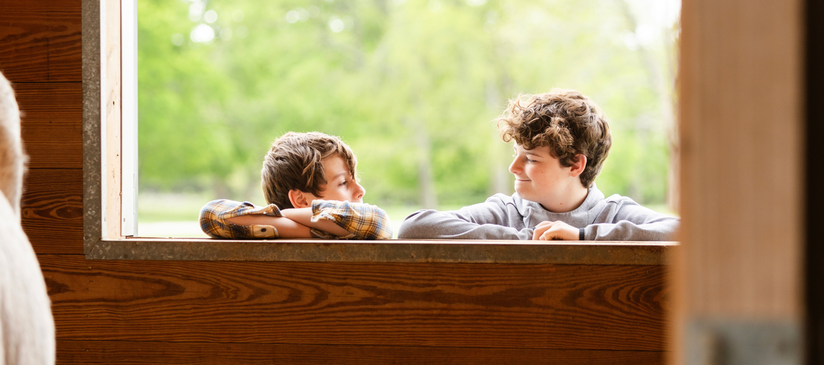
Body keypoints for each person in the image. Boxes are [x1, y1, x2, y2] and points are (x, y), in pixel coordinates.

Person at [398, 89, 679, 241]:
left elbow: (684, 232)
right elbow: (414, 227)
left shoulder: (613, 214)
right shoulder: (505, 212)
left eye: (530, 158)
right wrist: (527, 240)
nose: (514, 168)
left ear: (575, 165)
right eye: (516, 154)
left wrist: (583, 237)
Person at [200, 131, 393, 239]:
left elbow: (377, 221)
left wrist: (285, 218)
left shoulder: (270, 231)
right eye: (343, 182)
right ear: (301, 200)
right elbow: (210, 213)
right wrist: (317, 229)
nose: (361, 190)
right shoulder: (358, 233)